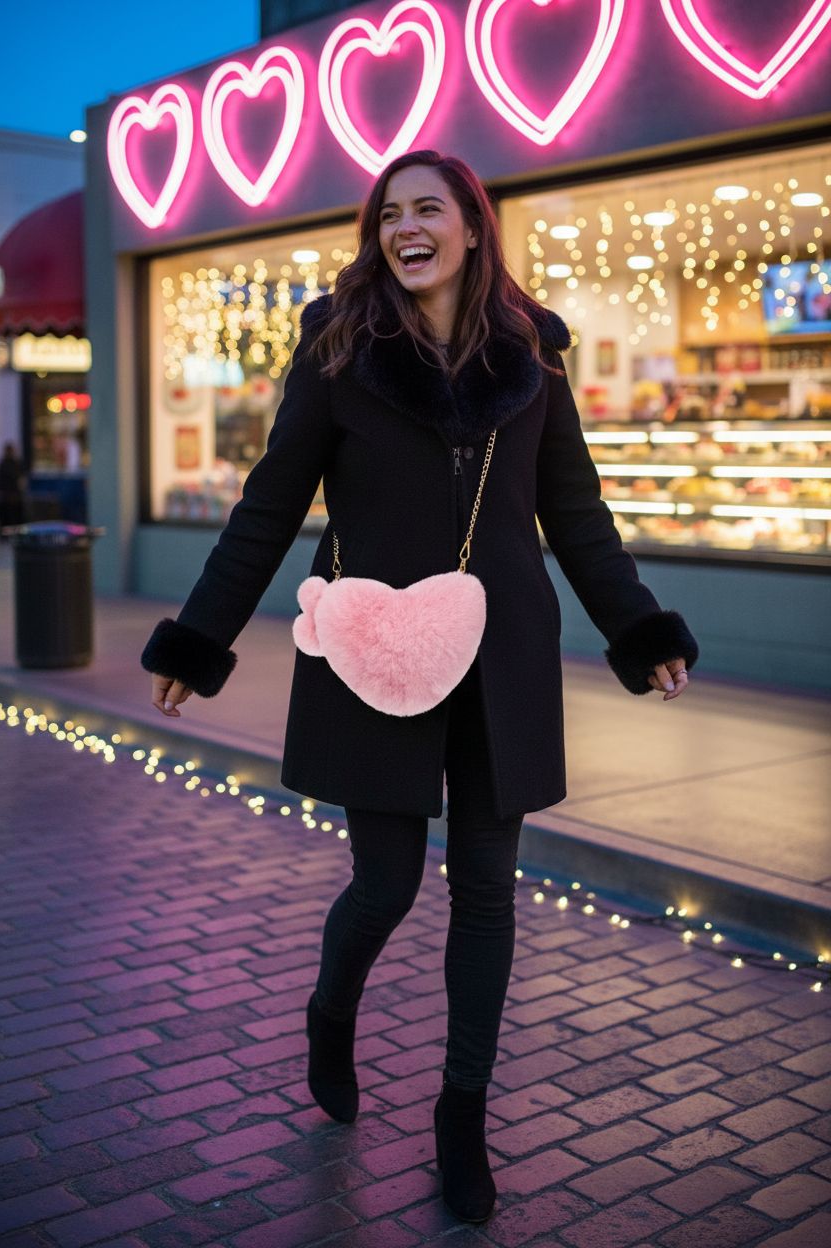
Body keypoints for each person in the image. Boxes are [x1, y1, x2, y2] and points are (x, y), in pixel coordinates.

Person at [141, 150, 699, 1223]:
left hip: (501, 658)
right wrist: (196, 638)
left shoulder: (531, 354)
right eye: (389, 213)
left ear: (472, 228)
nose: (405, 227)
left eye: (426, 209)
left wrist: (634, 625)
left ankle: (461, 1116)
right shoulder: (340, 347)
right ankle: (330, 1007)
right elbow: (270, 505)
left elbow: (573, 512)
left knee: (487, 891)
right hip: (374, 652)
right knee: (388, 884)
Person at [0, 441, 26, 538]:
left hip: (9, 497)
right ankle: (17, 536)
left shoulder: (6, 464)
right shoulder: (13, 464)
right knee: (14, 520)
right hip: (13, 497)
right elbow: (22, 481)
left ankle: (9, 536)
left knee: (9, 520)